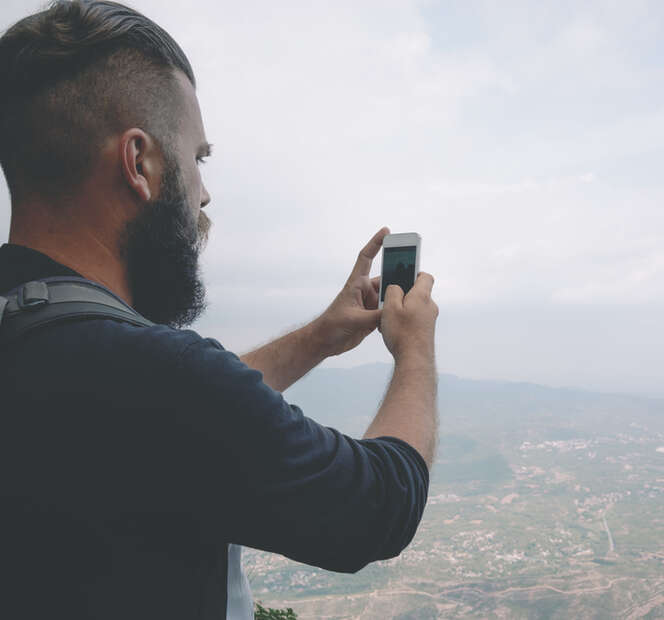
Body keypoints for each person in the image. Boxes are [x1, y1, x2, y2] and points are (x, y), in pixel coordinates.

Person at [0, 1, 438, 619]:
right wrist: (415, 348)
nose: (204, 193)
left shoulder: (44, 347)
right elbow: (379, 506)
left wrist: (320, 336)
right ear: (140, 162)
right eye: (197, 158)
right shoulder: (155, 379)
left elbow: (164, 414)